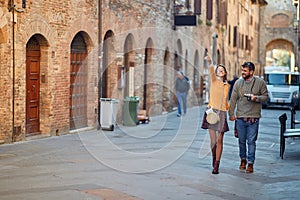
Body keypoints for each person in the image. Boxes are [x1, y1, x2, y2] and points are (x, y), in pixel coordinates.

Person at [229, 61, 268, 173]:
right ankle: (243, 159)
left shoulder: (260, 82)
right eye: (242, 70)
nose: (243, 72)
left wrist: (256, 98)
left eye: (245, 71)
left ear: (251, 72)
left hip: (253, 118)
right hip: (240, 117)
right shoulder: (238, 83)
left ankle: (250, 163)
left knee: (251, 141)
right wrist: (231, 114)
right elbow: (233, 99)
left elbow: (265, 97)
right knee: (241, 141)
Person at [201, 56, 229, 174]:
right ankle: (213, 158)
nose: (220, 71)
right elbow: (211, 70)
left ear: (225, 73)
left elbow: (225, 101)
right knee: (213, 141)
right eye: (218, 70)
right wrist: (210, 62)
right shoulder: (214, 80)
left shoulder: (227, 85)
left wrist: (230, 111)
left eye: (222, 70)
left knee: (220, 140)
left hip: (222, 113)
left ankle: (217, 164)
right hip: (212, 112)